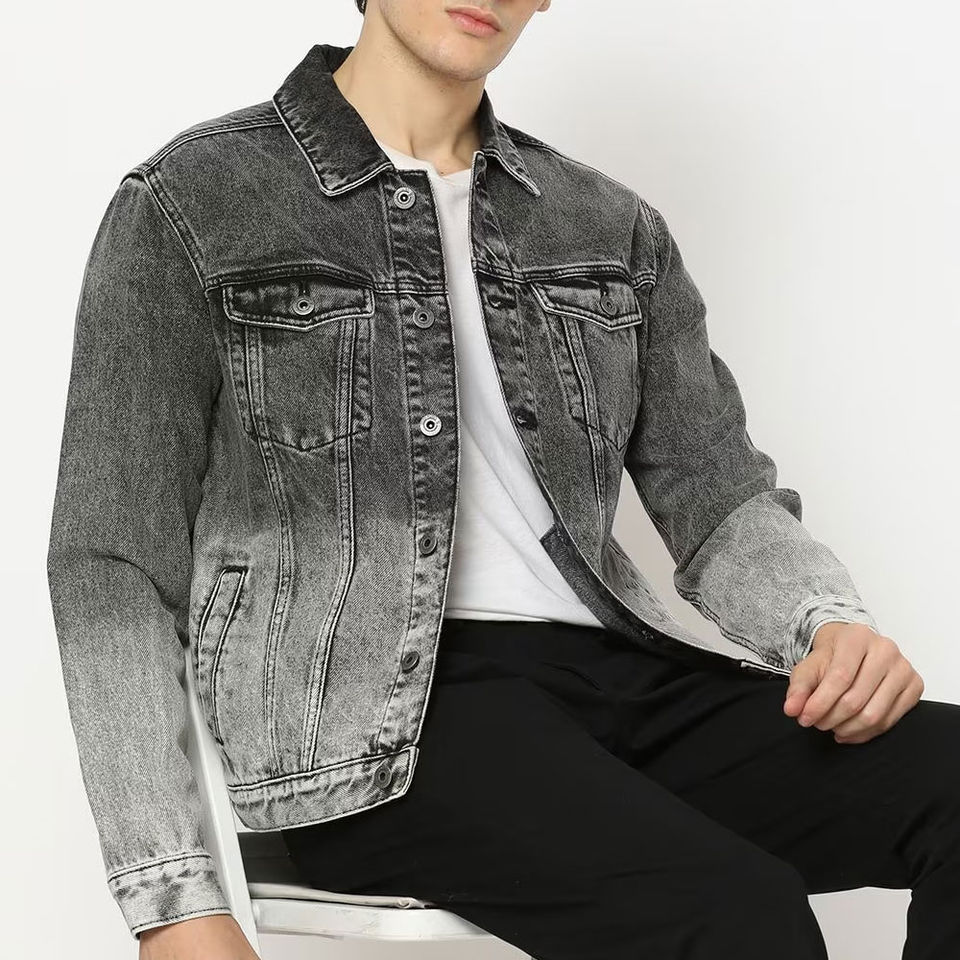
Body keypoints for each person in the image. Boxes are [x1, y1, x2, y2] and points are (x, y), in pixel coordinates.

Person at [46, 2, 958, 959]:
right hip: (371, 723)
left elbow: (717, 496)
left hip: (614, 679)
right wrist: (174, 900)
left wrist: (825, 619)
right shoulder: (193, 203)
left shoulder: (607, 225)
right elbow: (111, 561)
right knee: (734, 908)